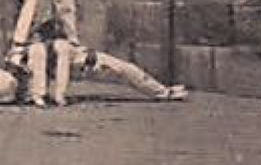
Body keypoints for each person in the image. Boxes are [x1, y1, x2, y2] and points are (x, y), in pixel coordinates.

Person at [42, 25, 187, 105]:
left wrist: (58, 95)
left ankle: (163, 92)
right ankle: (164, 92)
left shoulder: (60, 46)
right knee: (128, 71)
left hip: (95, 64)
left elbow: (61, 71)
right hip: (89, 68)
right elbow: (57, 72)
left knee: (128, 70)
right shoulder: (50, 48)